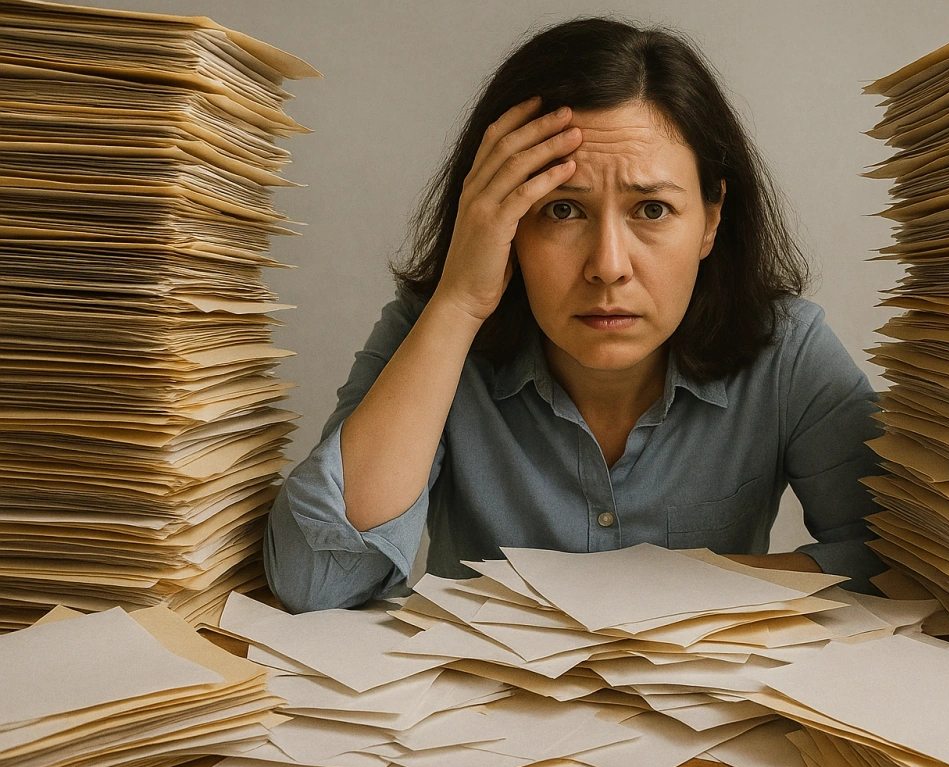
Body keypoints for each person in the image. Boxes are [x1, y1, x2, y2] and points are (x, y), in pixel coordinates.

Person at [264, 17, 885, 613]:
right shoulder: (432, 333)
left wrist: (660, 587)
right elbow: (318, 581)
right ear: (502, 219)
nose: (608, 266)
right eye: (562, 211)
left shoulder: (787, 349)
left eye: (652, 210)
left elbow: (903, 565)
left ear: (712, 219)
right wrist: (458, 304)